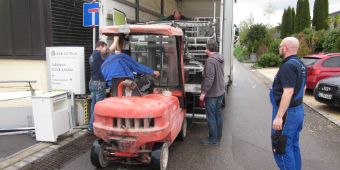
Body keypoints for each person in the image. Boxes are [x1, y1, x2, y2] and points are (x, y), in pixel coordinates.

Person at [270, 37, 307, 170]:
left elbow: (288, 92)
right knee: (292, 145)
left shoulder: (288, 66)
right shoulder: (301, 64)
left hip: (287, 114)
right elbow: (303, 88)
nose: (279, 48)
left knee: (281, 148)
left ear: (285, 48)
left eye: (280, 46)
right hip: (297, 110)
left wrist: (279, 116)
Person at [199, 39, 225, 145]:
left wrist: (203, 93)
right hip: (220, 92)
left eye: (206, 47)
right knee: (218, 114)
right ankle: (217, 137)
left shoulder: (210, 61)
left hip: (212, 94)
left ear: (208, 48)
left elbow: (209, 78)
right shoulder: (220, 58)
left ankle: (213, 140)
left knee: (211, 117)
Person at [88, 41, 110, 133]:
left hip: (92, 82)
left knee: (93, 105)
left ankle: (91, 125)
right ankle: (92, 127)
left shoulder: (92, 55)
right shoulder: (97, 54)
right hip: (99, 84)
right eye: (105, 47)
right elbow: (108, 50)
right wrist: (116, 40)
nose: (106, 49)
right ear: (100, 47)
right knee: (98, 107)